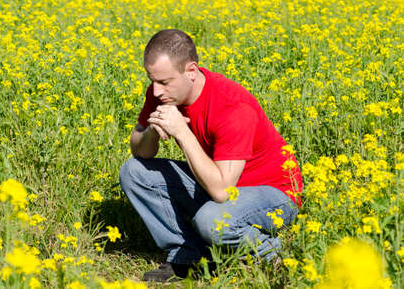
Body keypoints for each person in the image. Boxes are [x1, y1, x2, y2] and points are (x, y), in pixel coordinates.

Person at [119, 29, 302, 282]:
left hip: (273, 193)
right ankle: (188, 255)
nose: (157, 91)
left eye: (164, 82)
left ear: (191, 72)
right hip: (222, 180)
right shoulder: (162, 94)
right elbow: (141, 151)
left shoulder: (232, 106)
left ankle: (273, 254)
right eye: (152, 80)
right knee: (134, 172)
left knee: (213, 221)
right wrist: (152, 128)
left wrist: (182, 132)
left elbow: (222, 192)